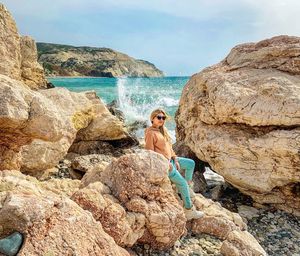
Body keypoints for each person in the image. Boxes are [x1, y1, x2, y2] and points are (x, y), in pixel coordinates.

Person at [144, 108, 204, 220]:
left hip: (171, 160)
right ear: (152, 118)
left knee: (190, 163)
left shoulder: (162, 130)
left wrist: (175, 158)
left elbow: (169, 148)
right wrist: (166, 164)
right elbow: (150, 153)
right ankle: (189, 210)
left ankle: (187, 188)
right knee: (182, 184)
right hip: (165, 165)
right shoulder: (150, 133)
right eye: (159, 117)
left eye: (163, 118)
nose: (161, 119)